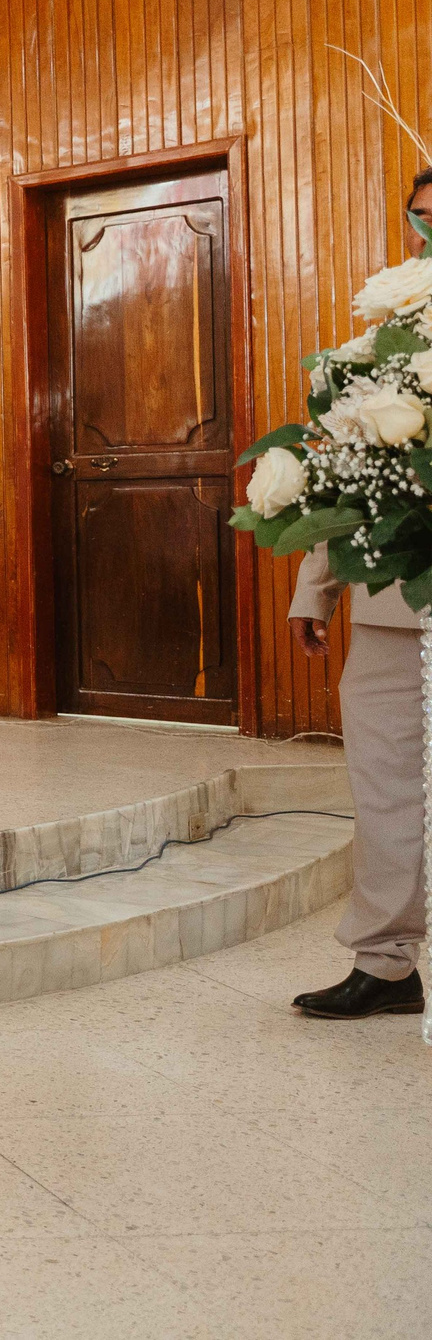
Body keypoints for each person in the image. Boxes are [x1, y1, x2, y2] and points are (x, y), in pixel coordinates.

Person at [283, 165, 432, 1022]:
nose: (427, 231)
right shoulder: (378, 341)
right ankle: (386, 963)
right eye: (420, 216)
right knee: (383, 791)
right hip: (389, 606)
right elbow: (343, 471)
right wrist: (317, 588)